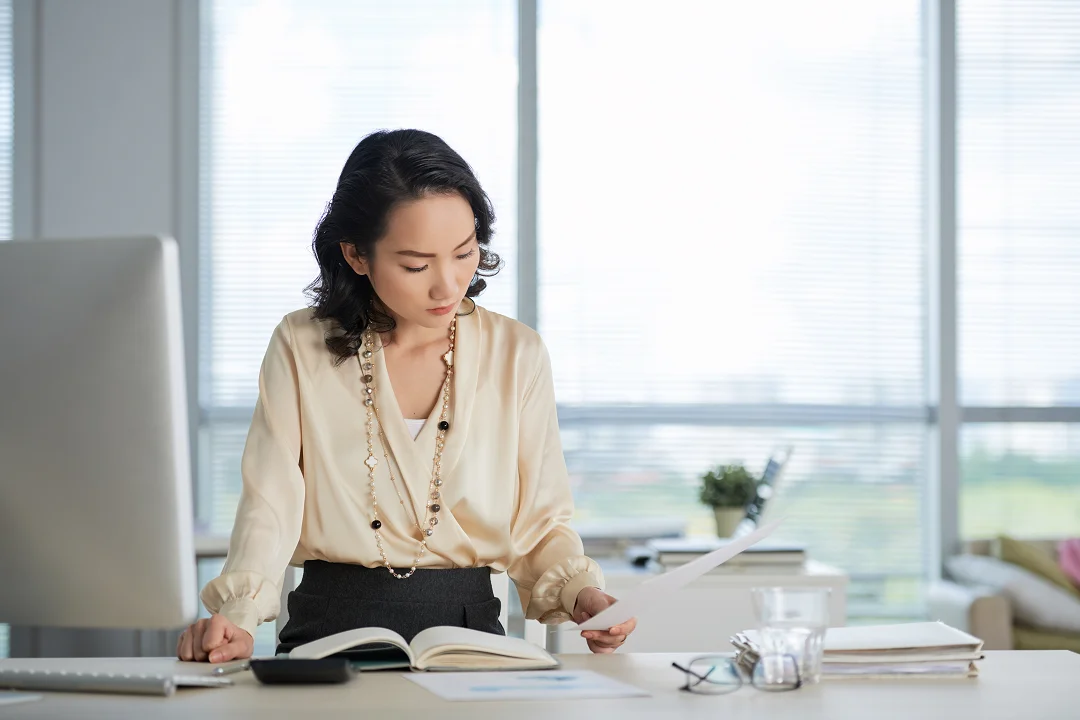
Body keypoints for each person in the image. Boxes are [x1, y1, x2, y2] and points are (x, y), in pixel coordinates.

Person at [177, 129, 637, 663]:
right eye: (417, 265)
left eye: (464, 253)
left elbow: (540, 524)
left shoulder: (517, 353)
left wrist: (582, 595)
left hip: (469, 635)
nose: (448, 285)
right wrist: (236, 615)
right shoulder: (301, 344)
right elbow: (271, 502)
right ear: (356, 254)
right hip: (326, 629)